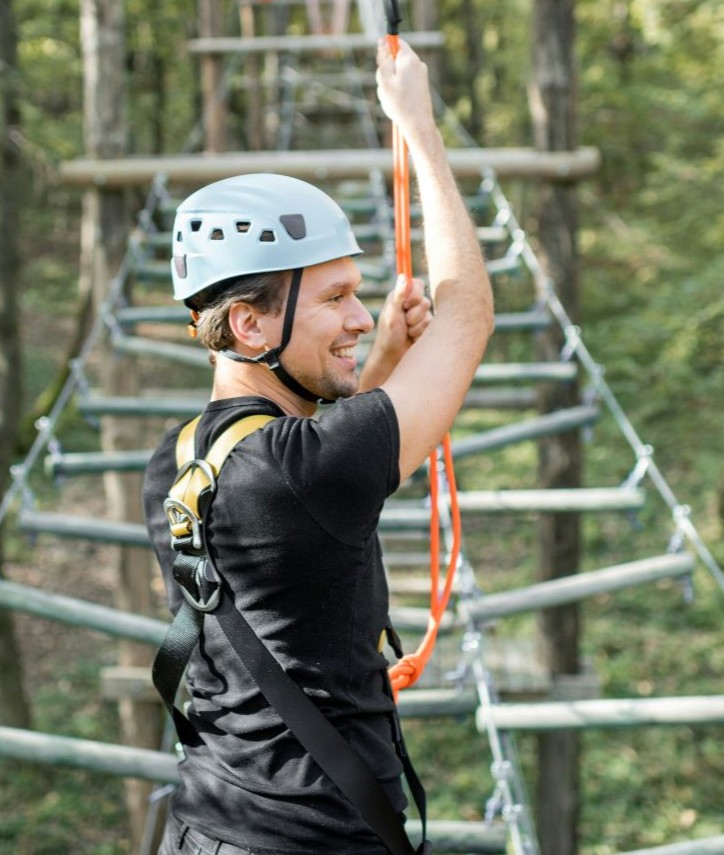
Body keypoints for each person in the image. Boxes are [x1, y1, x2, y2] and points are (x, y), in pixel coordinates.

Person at [143, 38, 493, 854]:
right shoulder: (308, 471)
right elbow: (469, 314)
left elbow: (299, 494)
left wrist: (371, 369)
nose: (363, 314)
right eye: (335, 297)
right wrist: (419, 128)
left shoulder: (178, 456)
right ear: (250, 323)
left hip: (207, 827)